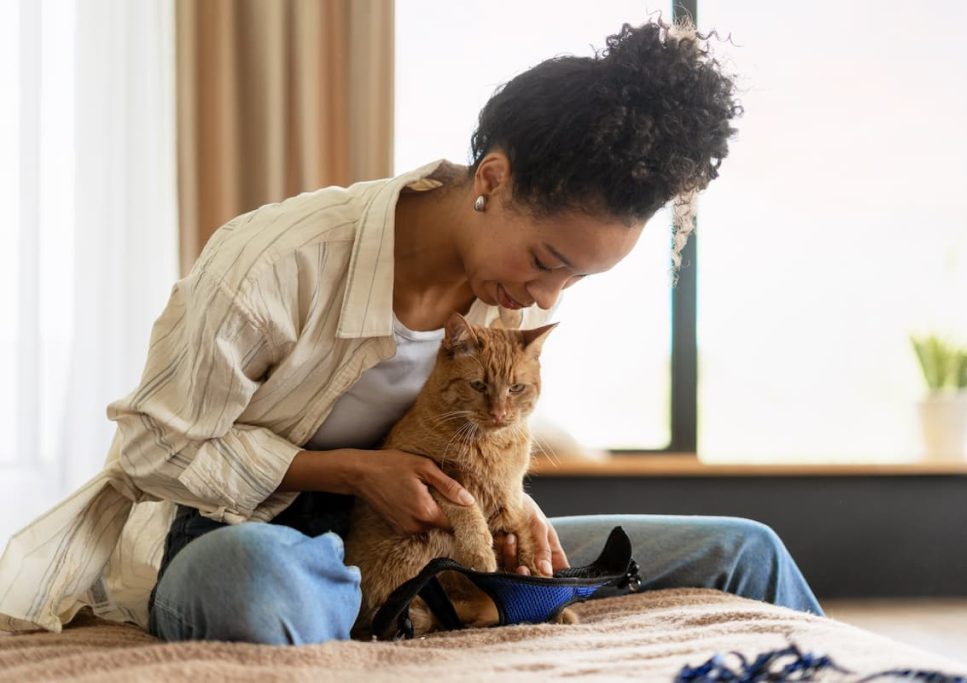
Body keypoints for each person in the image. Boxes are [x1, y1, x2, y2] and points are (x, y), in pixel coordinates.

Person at [0, 18, 822, 643]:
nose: (546, 292)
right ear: (492, 179)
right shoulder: (278, 262)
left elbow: (469, 447)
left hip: (424, 541)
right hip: (238, 533)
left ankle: (428, 605)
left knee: (745, 548)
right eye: (545, 258)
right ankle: (401, 613)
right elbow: (150, 450)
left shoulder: (509, 298)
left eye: (574, 277)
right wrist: (354, 472)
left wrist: (515, 507)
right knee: (260, 581)